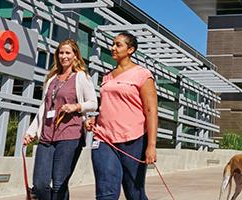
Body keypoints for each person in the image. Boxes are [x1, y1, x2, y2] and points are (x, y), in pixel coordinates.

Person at [85, 32, 158, 200]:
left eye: (118, 45)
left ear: (130, 49)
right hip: (104, 139)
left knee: (135, 193)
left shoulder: (143, 75)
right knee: (106, 194)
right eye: (113, 44)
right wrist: (95, 119)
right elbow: (109, 105)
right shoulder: (107, 76)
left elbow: (151, 111)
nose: (113, 48)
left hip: (134, 140)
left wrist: (151, 145)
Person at [23, 39, 99, 200]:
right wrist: (31, 131)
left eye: (67, 53)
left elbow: (93, 103)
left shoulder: (81, 77)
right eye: (61, 52)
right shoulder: (52, 79)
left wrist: (76, 107)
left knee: (59, 184)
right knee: (39, 184)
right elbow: (44, 107)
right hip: (47, 136)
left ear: (75, 56)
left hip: (70, 135)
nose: (63, 56)